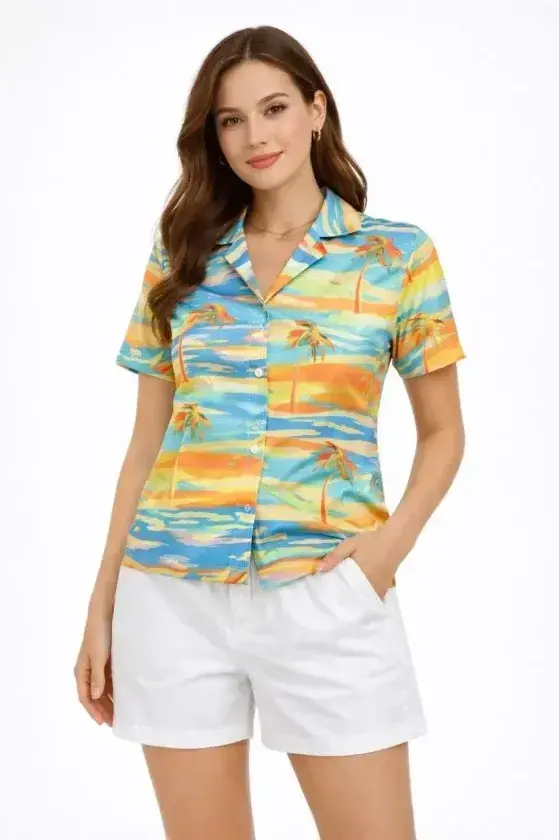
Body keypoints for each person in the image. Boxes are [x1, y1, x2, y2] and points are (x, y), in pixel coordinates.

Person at [74, 24, 466, 840]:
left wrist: (384, 554)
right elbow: (145, 443)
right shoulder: (180, 255)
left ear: (316, 111)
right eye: (230, 120)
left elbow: (443, 434)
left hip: (326, 591)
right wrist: (102, 603)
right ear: (213, 136)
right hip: (171, 594)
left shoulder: (394, 256)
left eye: (275, 108)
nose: (255, 135)